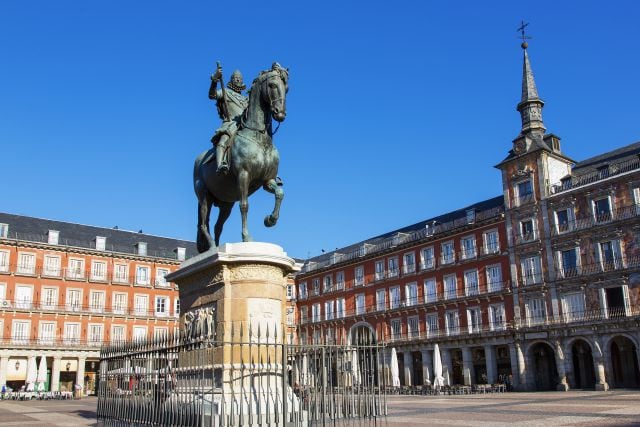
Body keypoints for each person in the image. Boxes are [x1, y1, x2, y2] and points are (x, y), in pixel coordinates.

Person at [208, 66, 249, 175]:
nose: (238, 80)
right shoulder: (225, 91)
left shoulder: (245, 99)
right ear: (231, 79)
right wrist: (215, 80)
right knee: (224, 140)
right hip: (230, 124)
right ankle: (220, 164)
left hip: (245, 125)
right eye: (235, 78)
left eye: (240, 78)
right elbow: (212, 95)